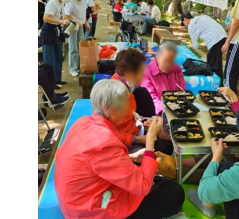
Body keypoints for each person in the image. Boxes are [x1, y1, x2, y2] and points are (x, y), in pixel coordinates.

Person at [54, 80, 185, 219]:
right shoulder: (104, 143)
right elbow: (143, 185)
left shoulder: (83, 122)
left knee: (154, 175)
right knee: (174, 192)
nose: (130, 110)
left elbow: (93, 162)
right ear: (114, 112)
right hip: (88, 210)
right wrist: (150, 139)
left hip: (80, 197)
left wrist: (132, 157)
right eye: (128, 105)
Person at [187, 97, 239, 219]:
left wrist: (216, 156)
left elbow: (205, 192)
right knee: (227, 166)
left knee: (222, 167)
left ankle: (207, 207)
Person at [111, 49, 174, 155]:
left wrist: (144, 122)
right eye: (141, 72)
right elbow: (111, 134)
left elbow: (129, 116)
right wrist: (140, 139)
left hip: (133, 129)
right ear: (130, 74)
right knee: (165, 148)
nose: (144, 76)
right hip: (124, 142)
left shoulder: (125, 85)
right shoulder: (115, 98)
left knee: (142, 92)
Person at [40, 0, 74, 85]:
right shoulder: (52, 3)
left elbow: (61, 15)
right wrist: (60, 21)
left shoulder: (61, 3)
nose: (69, 0)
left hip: (57, 32)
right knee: (49, 60)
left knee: (58, 57)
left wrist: (65, 20)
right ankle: (50, 83)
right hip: (49, 32)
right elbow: (46, 18)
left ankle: (57, 79)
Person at [141, 42, 186, 115]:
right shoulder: (146, 73)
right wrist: (165, 112)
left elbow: (182, 90)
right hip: (158, 113)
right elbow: (152, 97)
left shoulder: (177, 69)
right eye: (166, 61)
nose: (169, 65)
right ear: (157, 56)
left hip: (177, 109)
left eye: (172, 61)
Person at [182, 12, 228, 81]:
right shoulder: (202, 17)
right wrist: (208, 46)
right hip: (222, 35)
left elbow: (196, 46)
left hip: (215, 39)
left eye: (183, 23)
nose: (185, 25)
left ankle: (218, 85)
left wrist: (205, 46)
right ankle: (212, 80)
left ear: (185, 19)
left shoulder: (191, 25)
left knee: (215, 64)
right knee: (210, 60)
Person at [63, 0, 94, 76]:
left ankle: (80, 66)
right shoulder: (71, 2)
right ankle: (73, 69)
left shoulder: (84, 0)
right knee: (73, 49)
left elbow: (83, 14)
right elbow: (66, 16)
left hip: (81, 26)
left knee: (80, 47)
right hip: (72, 27)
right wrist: (77, 21)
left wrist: (87, 24)